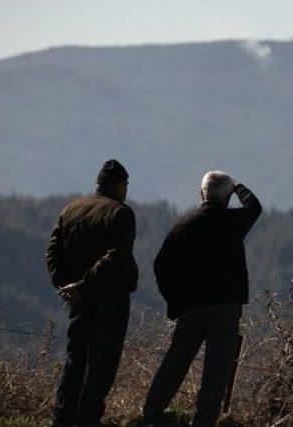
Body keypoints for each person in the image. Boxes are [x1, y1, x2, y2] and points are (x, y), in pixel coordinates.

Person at [142, 171, 262, 427]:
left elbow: (160, 267)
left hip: (191, 308)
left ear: (201, 194)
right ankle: (204, 421)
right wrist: (238, 186)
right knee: (216, 372)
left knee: (176, 362)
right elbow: (255, 207)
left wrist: (174, 301)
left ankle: (151, 414)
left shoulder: (182, 227)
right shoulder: (232, 222)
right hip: (226, 309)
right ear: (228, 197)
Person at [46, 159, 138, 427]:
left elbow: (53, 251)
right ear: (120, 186)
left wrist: (65, 286)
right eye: (126, 186)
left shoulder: (70, 210)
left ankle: (62, 419)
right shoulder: (121, 213)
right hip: (110, 300)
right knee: (102, 365)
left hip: (79, 302)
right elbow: (116, 256)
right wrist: (84, 285)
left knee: (75, 361)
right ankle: (87, 420)